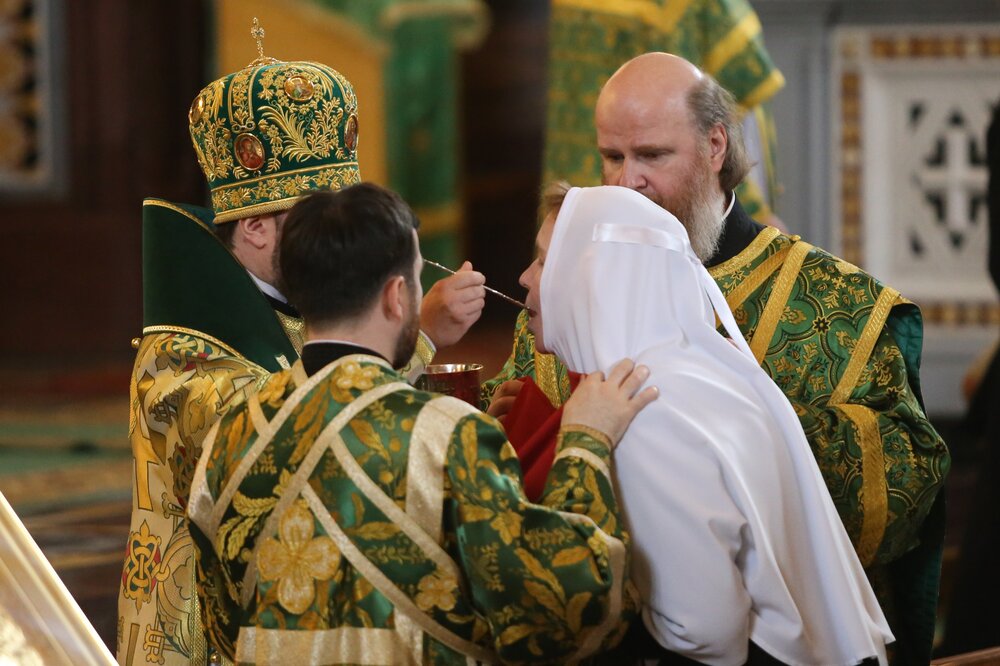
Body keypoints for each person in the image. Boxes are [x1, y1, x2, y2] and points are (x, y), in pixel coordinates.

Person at [487, 53, 950, 665]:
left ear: (714, 146)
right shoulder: (570, 293)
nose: (626, 183)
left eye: (652, 155)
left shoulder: (838, 303)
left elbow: (909, 472)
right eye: (611, 157)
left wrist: (740, 441)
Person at [118, 45, 486, 666]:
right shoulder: (180, 356)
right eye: (319, 223)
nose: (341, 243)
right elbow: (288, 443)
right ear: (255, 227)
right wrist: (413, 334)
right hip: (205, 636)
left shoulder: (300, 300)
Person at [187, 183, 657, 664]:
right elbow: (564, 610)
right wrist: (584, 441)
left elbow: (222, 624)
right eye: (416, 280)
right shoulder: (447, 436)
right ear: (397, 297)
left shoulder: (231, 433)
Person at [532, 184, 893, 664]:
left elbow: (704, 631)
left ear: (591, 277)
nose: (525, 277)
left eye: (543, 261)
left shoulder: (643, 406)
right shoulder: (700, 366)